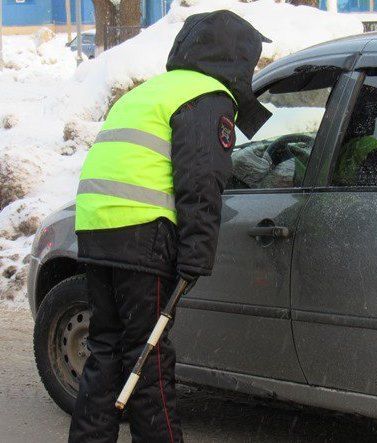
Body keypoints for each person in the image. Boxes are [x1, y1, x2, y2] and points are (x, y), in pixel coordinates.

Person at [69, 11, 271, 443]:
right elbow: (201, 180)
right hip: (143, 233)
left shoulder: (152, 91)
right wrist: (196, 253)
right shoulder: (207, 96)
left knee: (106, 349)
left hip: (96, 226)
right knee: (148, 360)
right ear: (235, 58)